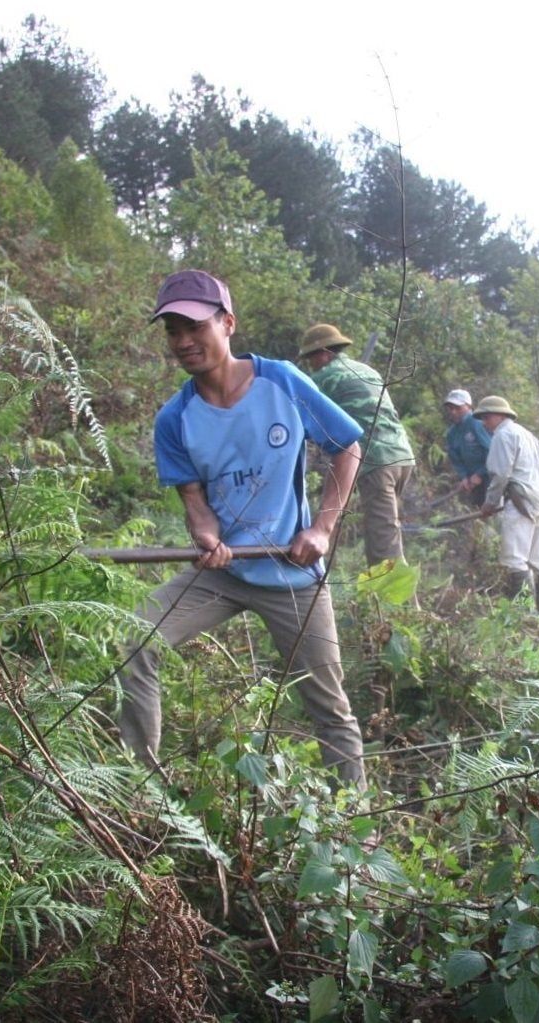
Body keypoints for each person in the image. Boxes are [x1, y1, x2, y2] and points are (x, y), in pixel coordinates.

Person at [119, 271, 366, 786]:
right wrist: (207, 539)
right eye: (172, 330)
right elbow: (196, 503)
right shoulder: (175, 419)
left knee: (328, 705)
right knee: (136, 639)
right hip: (226, 573)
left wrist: (321, 529)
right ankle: (140, 790)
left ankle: (354, 836)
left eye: (194, 325)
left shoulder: (282, 383)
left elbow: (348, 448)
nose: (183, 341)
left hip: (293, 575)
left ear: (227, 323)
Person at [298, 323, 417, 567]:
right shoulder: (366, 370)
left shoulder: (324, 377)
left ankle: (395, 603)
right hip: (402, 457)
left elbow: (298, 414)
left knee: (383, 542)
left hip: (376, 462)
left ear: (322, 354)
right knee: (387, 529)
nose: (312, 365)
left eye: (312, 359)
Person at [473, 395, 539, 619]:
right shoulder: (524, 433)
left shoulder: (503, 436)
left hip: (519, 504)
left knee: (514, 559)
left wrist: (489, 503)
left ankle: (524, 616)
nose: (485, 422)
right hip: (538, 502)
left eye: (487, 416)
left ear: (500, 415)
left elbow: (500, 474)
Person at [442, 389, 492, 508]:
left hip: (491, 477)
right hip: (472, 481)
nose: (453, 412)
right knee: (476, 510)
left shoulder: (477, 424)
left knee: (491, 510)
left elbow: (492, 452)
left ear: (468, 407)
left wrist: (480, 474)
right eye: (450, 408)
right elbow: (456, 460)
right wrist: (464, 477)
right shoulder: (451, 434)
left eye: (458, 408)